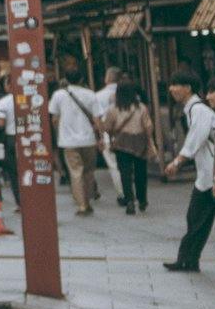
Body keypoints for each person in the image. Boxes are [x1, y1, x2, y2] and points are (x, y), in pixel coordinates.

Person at [162, 71, 215, 273]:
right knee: (199, 219)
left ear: (188, 88)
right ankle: (188, 260)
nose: (171, 89)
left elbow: (196, 139)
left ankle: (187, 259)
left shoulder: (199, 110)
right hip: (208, 175)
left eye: (176, 84)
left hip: (213, 175)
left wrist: (177, 162)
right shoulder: (194, 109)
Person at [50, 68, 105, 216]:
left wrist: (60, 131)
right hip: (88, 140)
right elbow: (97, 120)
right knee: (88, 171)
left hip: (68, 141)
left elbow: (54, 119)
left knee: (75, 172)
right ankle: (87, 199)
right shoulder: (90, 94)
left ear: (66, 79)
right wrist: (101, 138)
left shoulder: (58, 95)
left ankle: (82, 205)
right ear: (82, 79)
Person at [102, 84, 155, 215]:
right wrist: (150, 141)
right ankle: (142, 199)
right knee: (140, 172)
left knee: (125, 173)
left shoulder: (113, 109)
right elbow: (148, 126)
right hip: (139, 142)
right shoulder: (141, 107)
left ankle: (129, 200)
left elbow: (107, 127)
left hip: (122, 143)